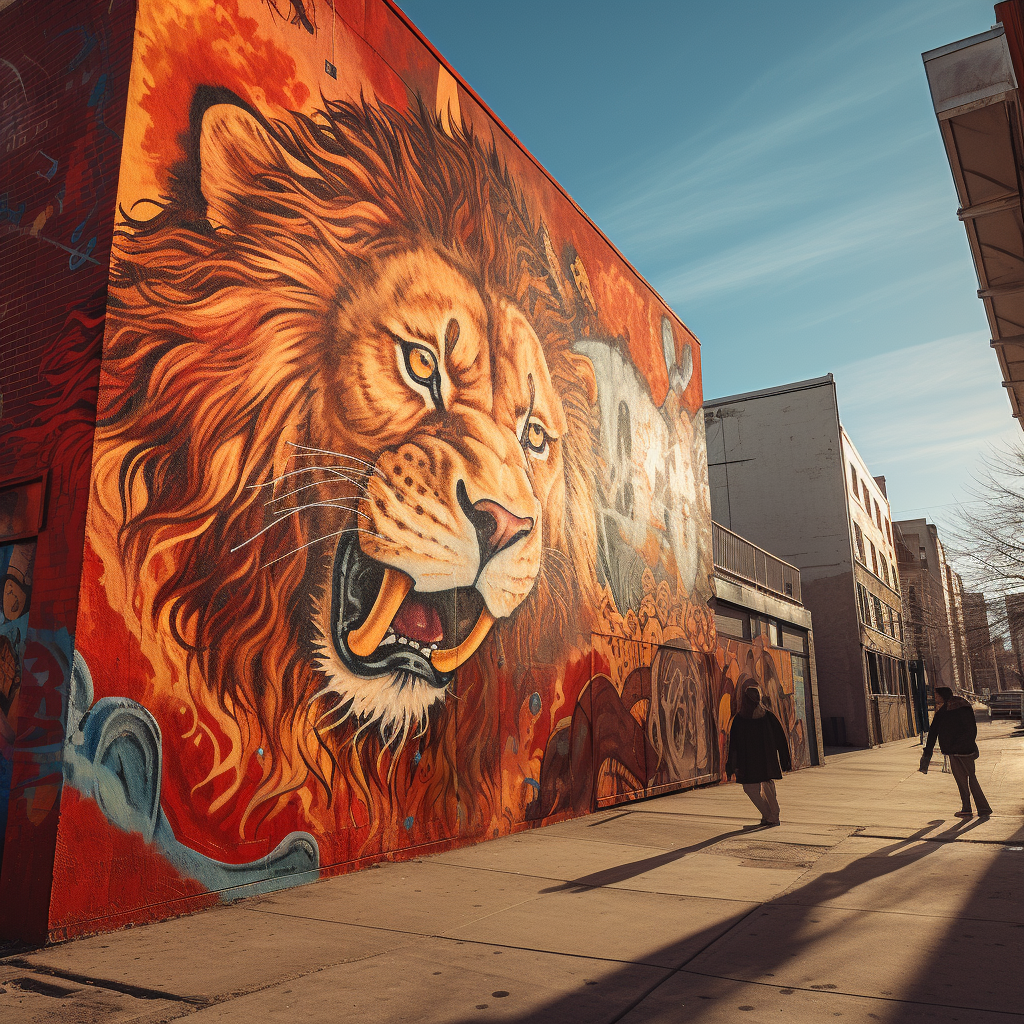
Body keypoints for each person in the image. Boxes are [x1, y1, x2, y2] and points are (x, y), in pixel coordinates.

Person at [919, 686, 992, 818]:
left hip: (954, 750)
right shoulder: (965, 706)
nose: (935, 698)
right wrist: (970, 743)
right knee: (972, 777)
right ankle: (983, 808)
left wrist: (927, 755)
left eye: (937, 695)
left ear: (943, 696)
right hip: (967, 749)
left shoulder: (943, 712)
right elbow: (972, 728)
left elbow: (933, 733)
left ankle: (967, 808)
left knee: (961, 780)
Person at [726, 684, 793, 826]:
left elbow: (734, 745)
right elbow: (781, 740)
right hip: (764, 760)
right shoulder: (767, 717)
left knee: (755, 788)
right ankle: (771, 815)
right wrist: (784, 760)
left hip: (750, 762)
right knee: (766, 788)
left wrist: (731, 765)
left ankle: (771, 816)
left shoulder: (742, 719)